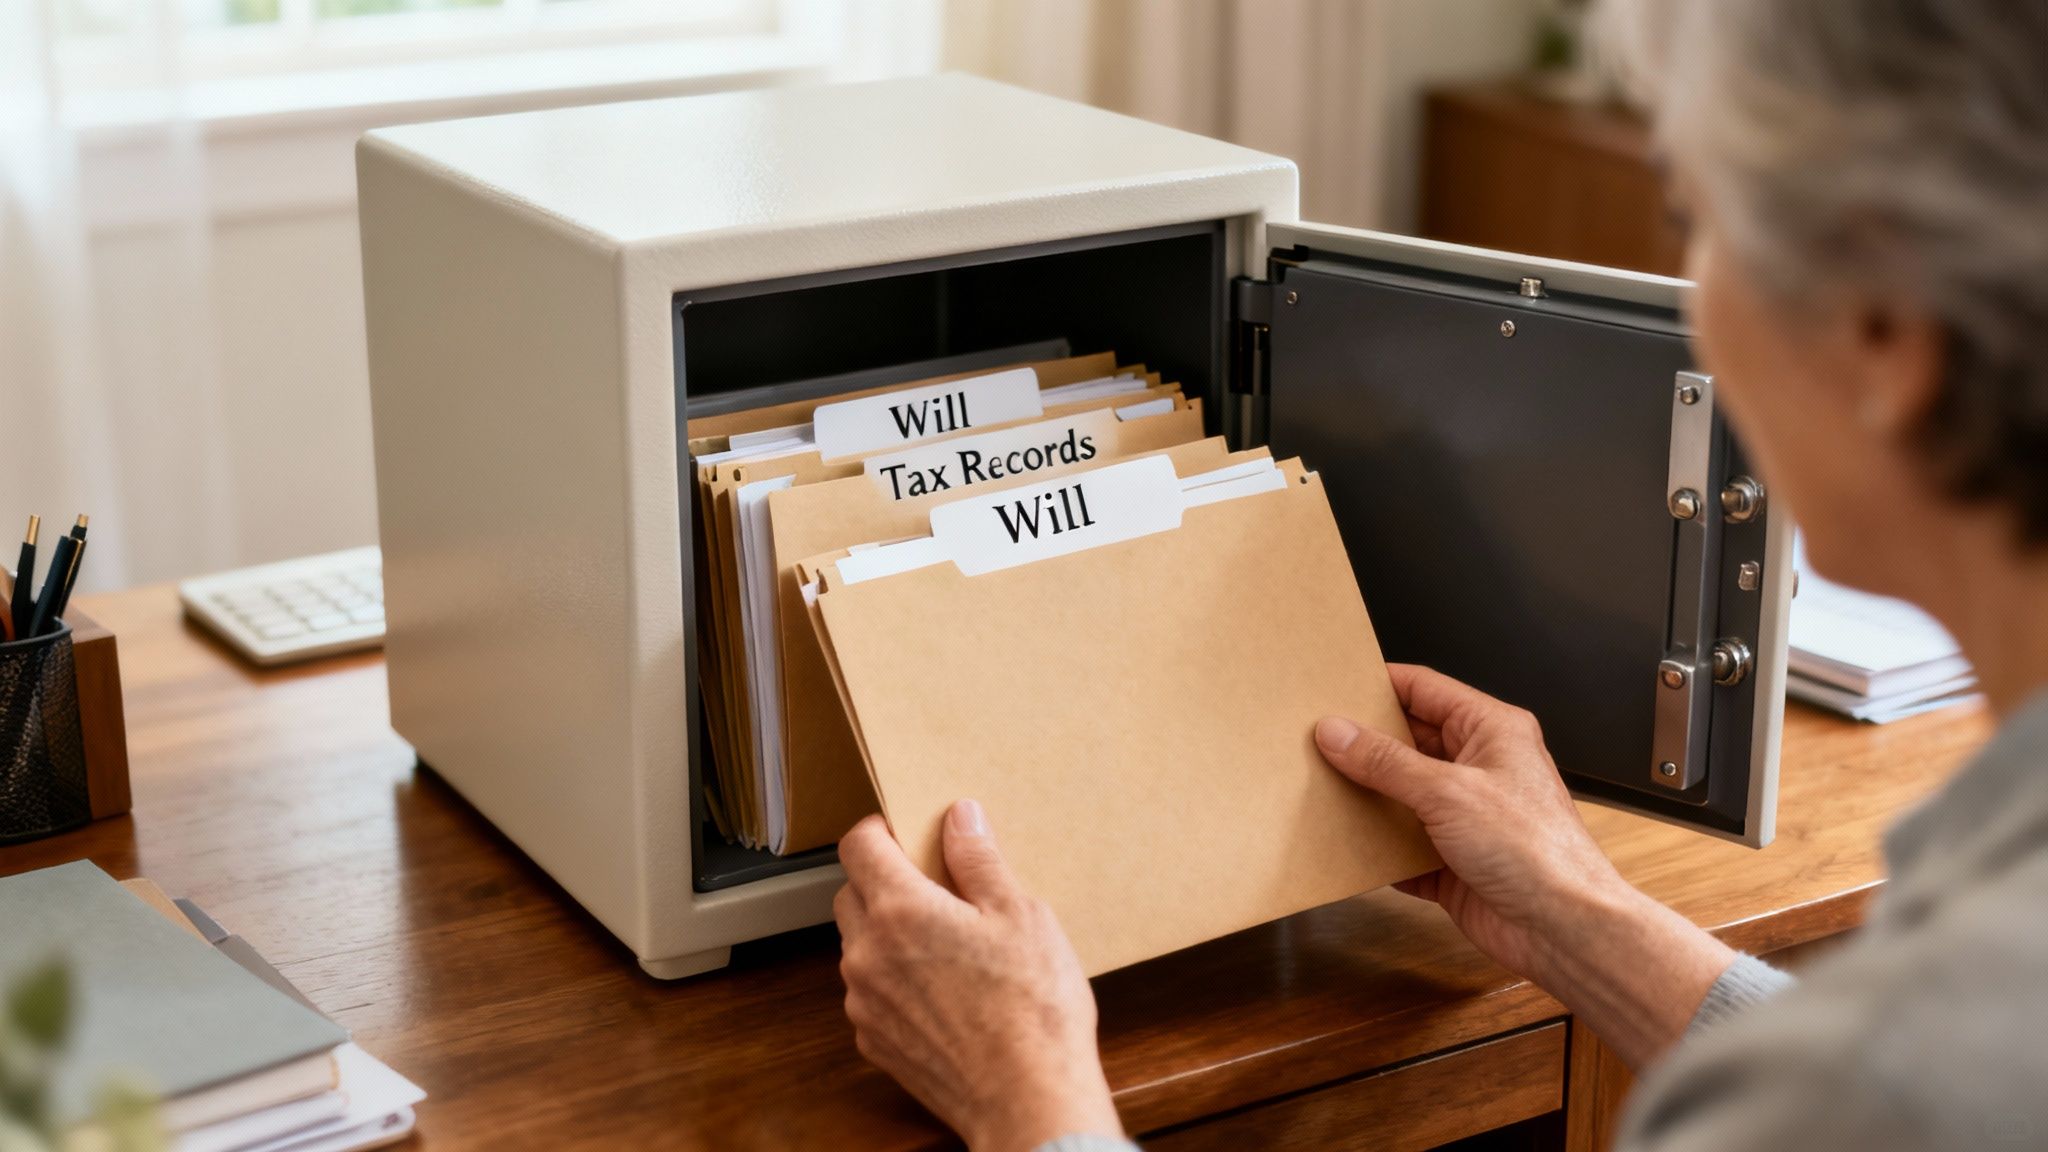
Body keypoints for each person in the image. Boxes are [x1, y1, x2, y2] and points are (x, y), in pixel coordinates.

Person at [830, 0, 2048, 1147]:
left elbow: (1890, 1097)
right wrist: (1576, 913)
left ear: (1885, 334)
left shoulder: (1938, 1044)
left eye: (1699, 223)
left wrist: (1027, 1091)